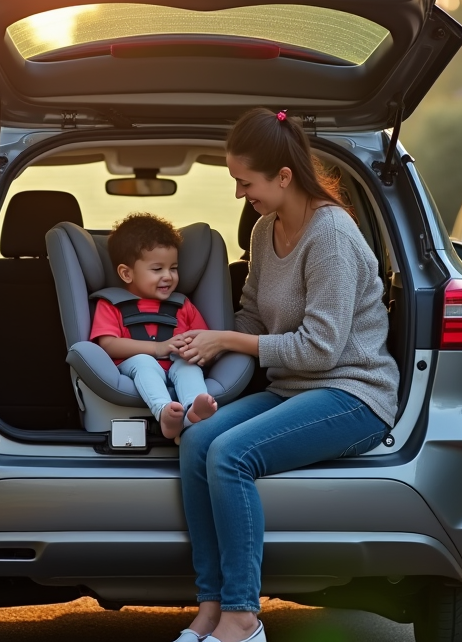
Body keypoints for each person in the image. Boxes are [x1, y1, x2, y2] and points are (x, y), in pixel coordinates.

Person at [169, 108, 400, 642]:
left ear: (283, 177)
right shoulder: (265, 232)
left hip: (353, 393)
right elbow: (251, 316)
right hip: (290, 389)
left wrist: (227, 340)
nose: (238, 194)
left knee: (232, 455)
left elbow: (320, 349)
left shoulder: (332, 236)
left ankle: (243, 618)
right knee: (199, 439)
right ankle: (210, 608)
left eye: (244, 182)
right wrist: (195, 343)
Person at [90, 213, 218, 440]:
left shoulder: (183, 305)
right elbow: (108, 344)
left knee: (188, 365)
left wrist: (195, 351)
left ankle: (192, 410)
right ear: (126, 273)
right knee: (144, 362)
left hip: (176, 365)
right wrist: (159, 348)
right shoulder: (110, 305)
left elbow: (205, 340)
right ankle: (164, 412)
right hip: (138, 367)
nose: (168, 276)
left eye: (174, 268)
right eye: (157, 269)